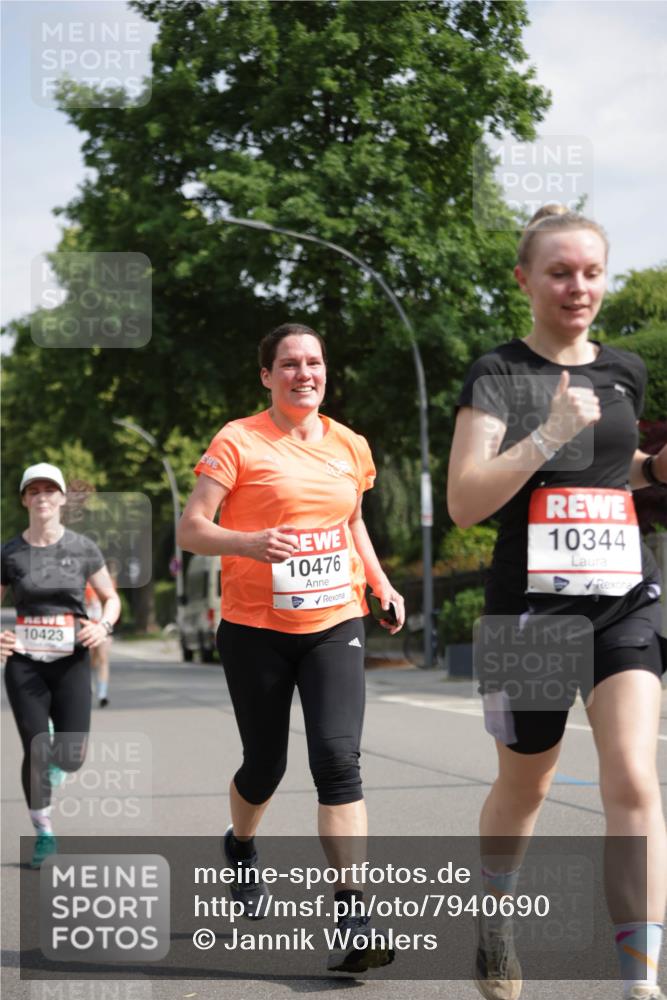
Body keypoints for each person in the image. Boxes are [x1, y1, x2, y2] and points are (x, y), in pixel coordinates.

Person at [448, 204, 667, 1000]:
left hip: (622, 597)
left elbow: (614, 468)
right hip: (528, 611)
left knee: (633, 777)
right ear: (524, 280)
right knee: (526, 785)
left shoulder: (624, 369)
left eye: (591, 272)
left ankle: (639, 980)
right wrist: (544, 434)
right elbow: (465, 501)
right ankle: (495, 920)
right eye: (559, 272)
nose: (578, 287)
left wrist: (654, 469)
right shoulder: (496, 374)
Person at [177, 322, 405, 973]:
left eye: (313, 362)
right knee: (265, 766)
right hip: (255, 629)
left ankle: (353, 916)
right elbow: (192, 529)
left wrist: (381, 584)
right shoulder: (238, 439)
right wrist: (246, 543)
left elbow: (352, 521)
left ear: (324, 372)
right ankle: (242, 845)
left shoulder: (349, 444)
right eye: (289, 364)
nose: (304, 373)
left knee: (337, 761)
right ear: (267, 376)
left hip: (335, 619)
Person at [1, 463, 120, 867]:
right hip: (25, 663)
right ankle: (44, 833)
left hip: (71, 661)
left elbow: (110, 598)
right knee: (36, 749)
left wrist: (103, 626)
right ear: (24, 500)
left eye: (49, 490)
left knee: (71, 757)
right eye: (33, 490)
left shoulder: (83, 548)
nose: (42, 497)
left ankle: (58, 753)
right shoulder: (9, 553)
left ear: (62, 498)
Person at [85, 580, 113, 707]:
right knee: (90, 661)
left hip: (104, 628)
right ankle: (88, 687)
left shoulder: (108, 583)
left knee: (103, 659)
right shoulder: (84, 584)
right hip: (89, 627)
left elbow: (112, 603)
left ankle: (103, 694)